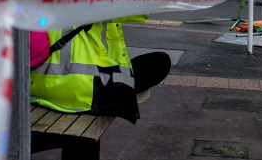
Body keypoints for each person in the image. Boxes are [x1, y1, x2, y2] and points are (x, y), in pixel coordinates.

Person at [29, 16, 171, 123]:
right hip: (83, 92)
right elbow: (141, 9)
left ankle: (125, 92)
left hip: (35, 86)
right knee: (160, 62)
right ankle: (125, 93)